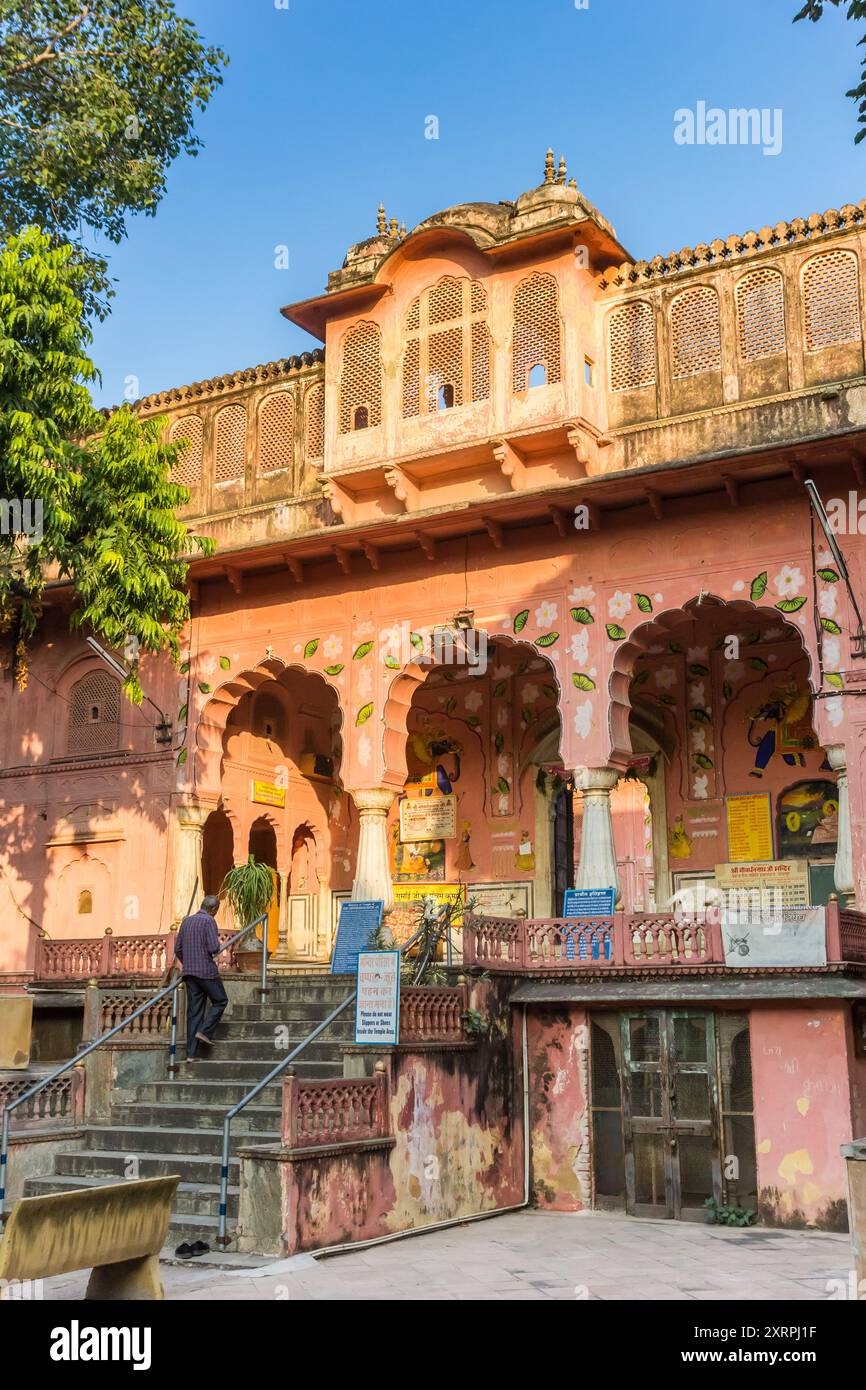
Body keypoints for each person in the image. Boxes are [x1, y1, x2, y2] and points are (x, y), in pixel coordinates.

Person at [174, 894, 228, 1062]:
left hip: (189, 973)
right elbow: (213, 948)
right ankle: (204, 1031)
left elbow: (178, 949)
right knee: (220, 1000)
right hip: (206, 971)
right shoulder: (209, 921)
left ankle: (191, 1054)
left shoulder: (186, 921)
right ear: (213, 909)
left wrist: (188, 962)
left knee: (194, 1013)